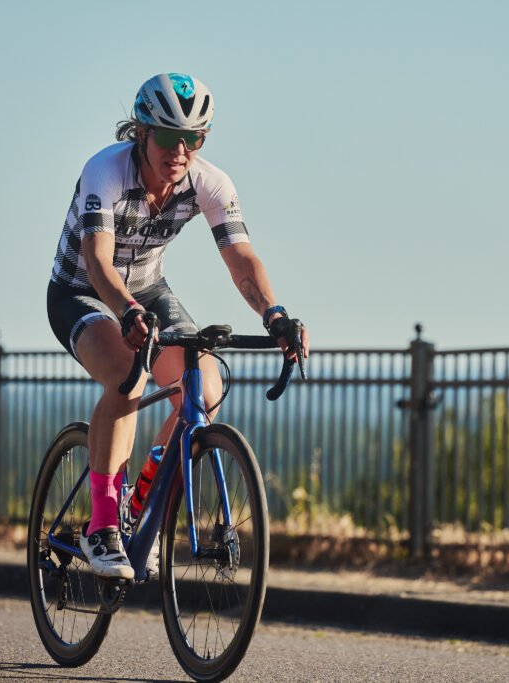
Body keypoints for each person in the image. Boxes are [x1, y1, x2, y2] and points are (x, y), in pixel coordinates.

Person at [46, 73, 309, 579]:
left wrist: (274, 315)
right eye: (169, 137)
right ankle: (102, 525)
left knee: (204, 390)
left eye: (194, 139)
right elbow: (97, 260)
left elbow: (241, 258)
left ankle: (140, 503)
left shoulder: (210, 183)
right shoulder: (105, 170)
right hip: (82, 291)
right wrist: (125, 312)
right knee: (127, 374)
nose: (180, 151)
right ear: (142, 133)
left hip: (148, 291)